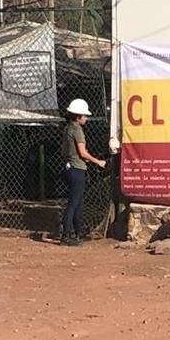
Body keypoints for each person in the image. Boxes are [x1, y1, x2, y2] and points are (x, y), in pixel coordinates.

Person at [61, 98, 106, 247]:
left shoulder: (68, 128)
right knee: (74, 203)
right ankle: (67, 235)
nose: (86, 118)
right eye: (84, 115)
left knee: (78, 201)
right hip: (77, 169)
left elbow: (66, 150)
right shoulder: (77, 130)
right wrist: (98, 162)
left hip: (70, 167)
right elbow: (82, 152)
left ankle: (78, 231)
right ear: (78, 116)